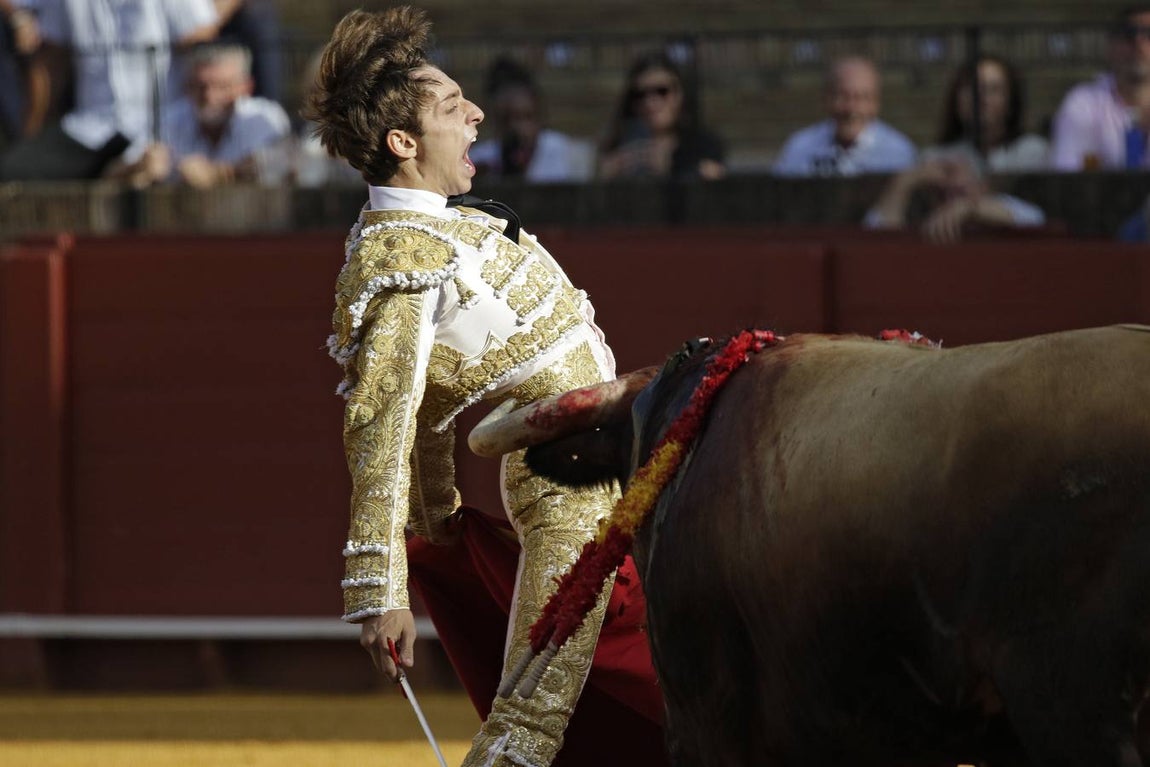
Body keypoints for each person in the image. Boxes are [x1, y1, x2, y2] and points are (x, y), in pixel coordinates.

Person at [305, 8, 660, 767]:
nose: (476, 113)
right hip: (566, 495)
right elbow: (383, 423)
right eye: (449, 106)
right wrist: (383, 591)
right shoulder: (397, 257)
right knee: (529, 719)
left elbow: (428, 417)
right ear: (403, 142)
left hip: (622, 475)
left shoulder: (440, 229)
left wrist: (436, 525)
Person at [0, 0, 219, 181]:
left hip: (162, 125)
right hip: (89, 127)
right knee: (12, 174)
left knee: (166, 175)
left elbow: (201, 35)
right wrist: (32, 131)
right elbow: (52, 61)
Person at [109, 43, 290, 188]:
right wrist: (140, 165)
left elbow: (279, 166)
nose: (210, 96)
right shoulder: (170, 119)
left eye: (222, 86)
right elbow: (112, 172)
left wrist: (217, 174)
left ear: (246, 88)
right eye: (201, 87)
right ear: (187, 87)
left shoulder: (265, 117)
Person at [863, 145, 1046, 243]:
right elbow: (875, 238)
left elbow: (1035, 220)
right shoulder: (920, 218)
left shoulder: (1000, 207)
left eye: (951, 170)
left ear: (982, 185)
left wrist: (969, 208)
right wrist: (904, 183)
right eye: (938, 174)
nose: (946, 181)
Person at [772, 55, 916, 177]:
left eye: (861, 97)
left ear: (876, 103)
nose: (851, 108)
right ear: (826, 99)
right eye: (843, 96)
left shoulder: (899, 153)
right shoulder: (799, 148)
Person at [598, 50, 725, 180]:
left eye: (661, 91)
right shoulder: (617, 143)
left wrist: (673, 166)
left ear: (679, 95)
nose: (650, 103)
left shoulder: (703, 144)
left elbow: (714, 180)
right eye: (640, 94)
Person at [1050, 5, 1150, 170]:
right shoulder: (1083, 103)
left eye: (1148, 34)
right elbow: (1067, 175)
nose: (1139, 44)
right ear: (1111, 46)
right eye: (1129, 34)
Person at [469, 55, 594, 182]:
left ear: (539, 116)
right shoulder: (477, 164)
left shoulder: (572, 156)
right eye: (507, 119)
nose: (517, 128)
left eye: (526, 117)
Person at [934, 55, 1048, 173]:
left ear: (1011, 101)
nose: (980, 98)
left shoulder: (1036, 154)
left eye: (993, 89)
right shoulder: (937, 160)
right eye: (970, 88)